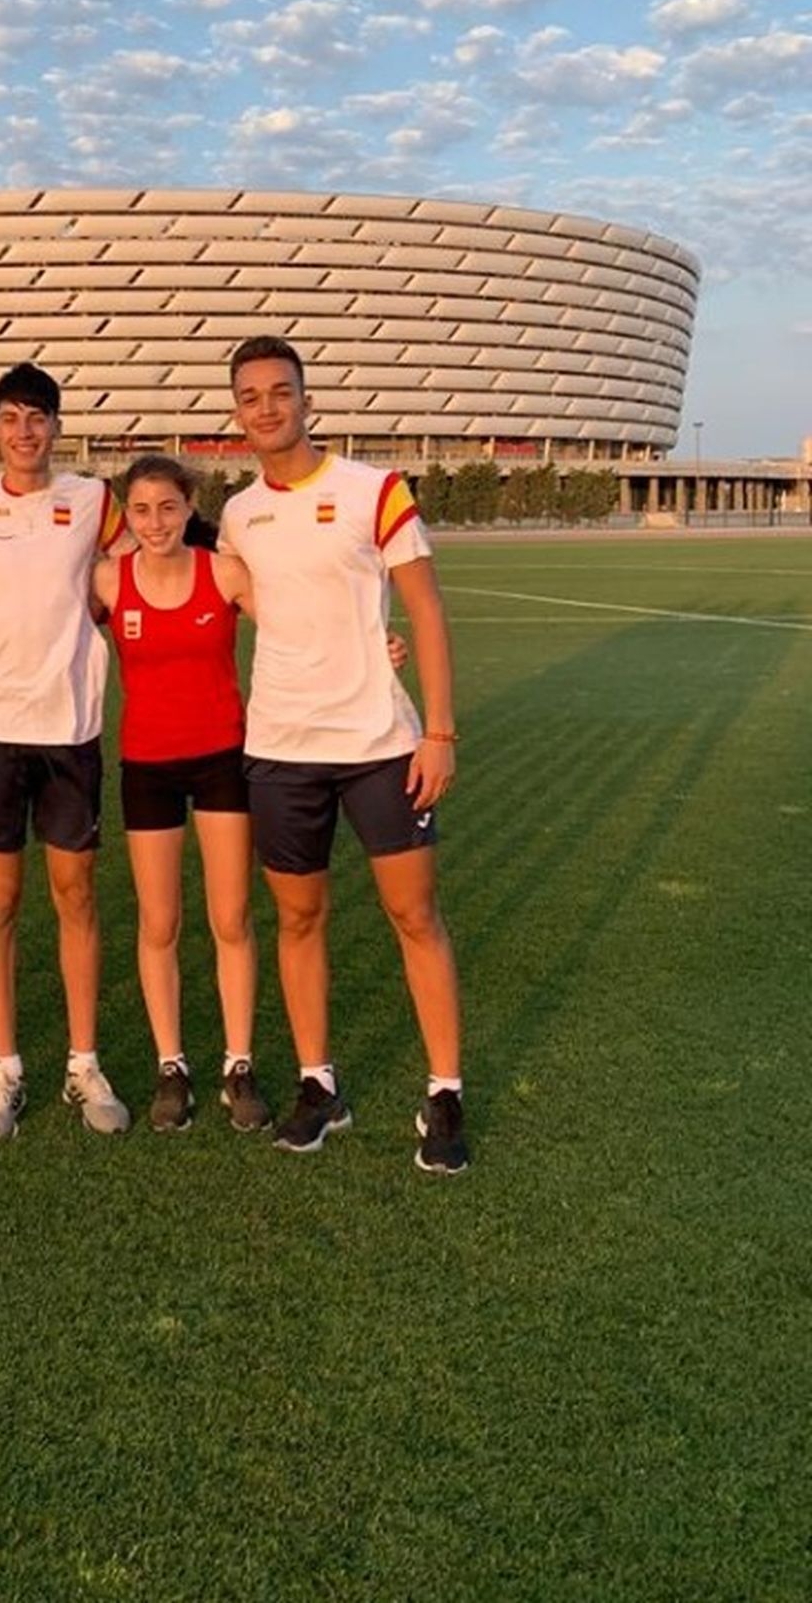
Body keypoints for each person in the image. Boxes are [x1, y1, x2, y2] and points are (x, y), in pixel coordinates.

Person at [218, 335, 469, 1174]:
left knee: (415, 915)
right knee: (298, 918)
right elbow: (249, 602)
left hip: (379, 745)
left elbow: (425, 608)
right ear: (237, 413)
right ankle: (319, 1084)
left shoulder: (375, 489)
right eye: (250, 396)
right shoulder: (238, 515)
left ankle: (445, 1091)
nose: (266, 407)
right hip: (280, 747)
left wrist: (440, 731)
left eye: (280, 391)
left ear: (306, 399)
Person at [0, 362, 131, 1139]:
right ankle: (6, 1066)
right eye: (10, 417)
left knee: (75, 893)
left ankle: (83, 1062)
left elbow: (146, 564)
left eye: (37, 417)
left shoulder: (93, 499)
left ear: (57, 426)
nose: (23, 431)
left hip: (69, 728)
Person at [93, 456, 270, 1135]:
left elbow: (299, 629)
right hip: (148, 767)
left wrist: (378, 644)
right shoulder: (109, 579)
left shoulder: (223, 573)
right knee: (159, 922)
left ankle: (238, 1065)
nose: (155, 522)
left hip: (222, 759)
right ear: (126, 515)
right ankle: (172, 1065)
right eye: (140, 510)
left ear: (189, 505)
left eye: (167, 507)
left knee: (231, 917)